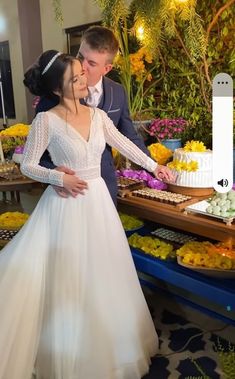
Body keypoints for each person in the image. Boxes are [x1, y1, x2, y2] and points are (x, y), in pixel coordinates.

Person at [0, 50, 175, 379]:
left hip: (99, 206)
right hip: (66, 206)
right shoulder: (46, 121)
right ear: (57, 89)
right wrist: (58, 177)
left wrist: (155, 166)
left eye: (82, 73)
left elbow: (124, 143)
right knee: (72, 278)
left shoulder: (97, 116)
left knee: (106, 274)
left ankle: (112, 345)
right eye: (75, 78)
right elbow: (27, 164)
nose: (84, 81)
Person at [37, 26, 151, 204]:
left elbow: (129, 137)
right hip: (68, 192)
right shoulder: (53, 95)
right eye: (80, 56)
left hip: (105, 186)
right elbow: (38, 155)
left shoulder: (117, 92)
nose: (82, 66)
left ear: (107, 68)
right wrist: (53, 176)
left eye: (91, 63)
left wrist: (156, 169)